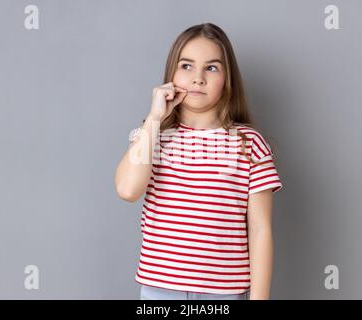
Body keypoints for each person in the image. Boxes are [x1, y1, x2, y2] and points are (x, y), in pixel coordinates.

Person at [114, 22, 283, 300]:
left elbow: (260, 228)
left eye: (212, 68)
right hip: (160, 290)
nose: (198, 78)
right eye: (187, 66)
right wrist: (154, 118)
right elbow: (127, 190)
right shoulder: (152, 135)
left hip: (224, 294)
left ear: (228, 79)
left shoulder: (248, 143)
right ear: (172, 74)